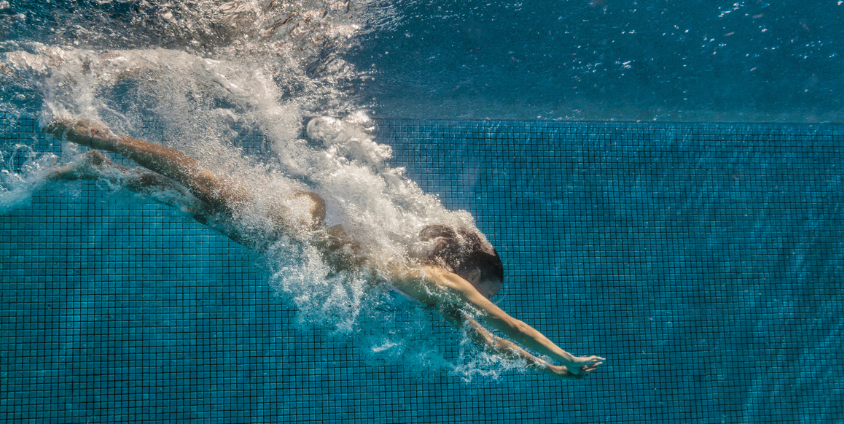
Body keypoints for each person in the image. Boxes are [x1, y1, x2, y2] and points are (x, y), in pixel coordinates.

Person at [44, 119, 605, 380]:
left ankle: (102, 168)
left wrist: (546, 370)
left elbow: (489, 339)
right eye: (487, 290)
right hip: (302, 221)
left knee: (200, 208)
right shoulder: (438, 282)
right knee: (205, 185)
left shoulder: (435, 296)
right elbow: (508, 326)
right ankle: (97, 135)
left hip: (296, 242)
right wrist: (564, 355)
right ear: (468, 274)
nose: (484, 301)